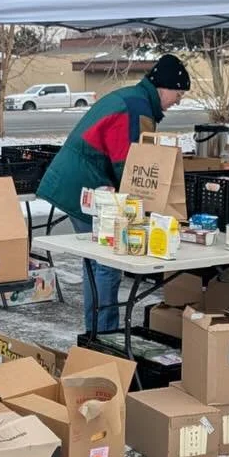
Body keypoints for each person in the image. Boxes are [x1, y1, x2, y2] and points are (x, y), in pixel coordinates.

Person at [37, 54, 191, 333]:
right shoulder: (137, 108)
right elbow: (129, 164)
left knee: (96, 262)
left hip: (80, 181)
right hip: (84, 185)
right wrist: (141, 206)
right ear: (163, 87)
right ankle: (104, 335)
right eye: (178, 93)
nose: (178, 100)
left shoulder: (134, 99)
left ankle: (96, 332)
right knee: (107, 262)